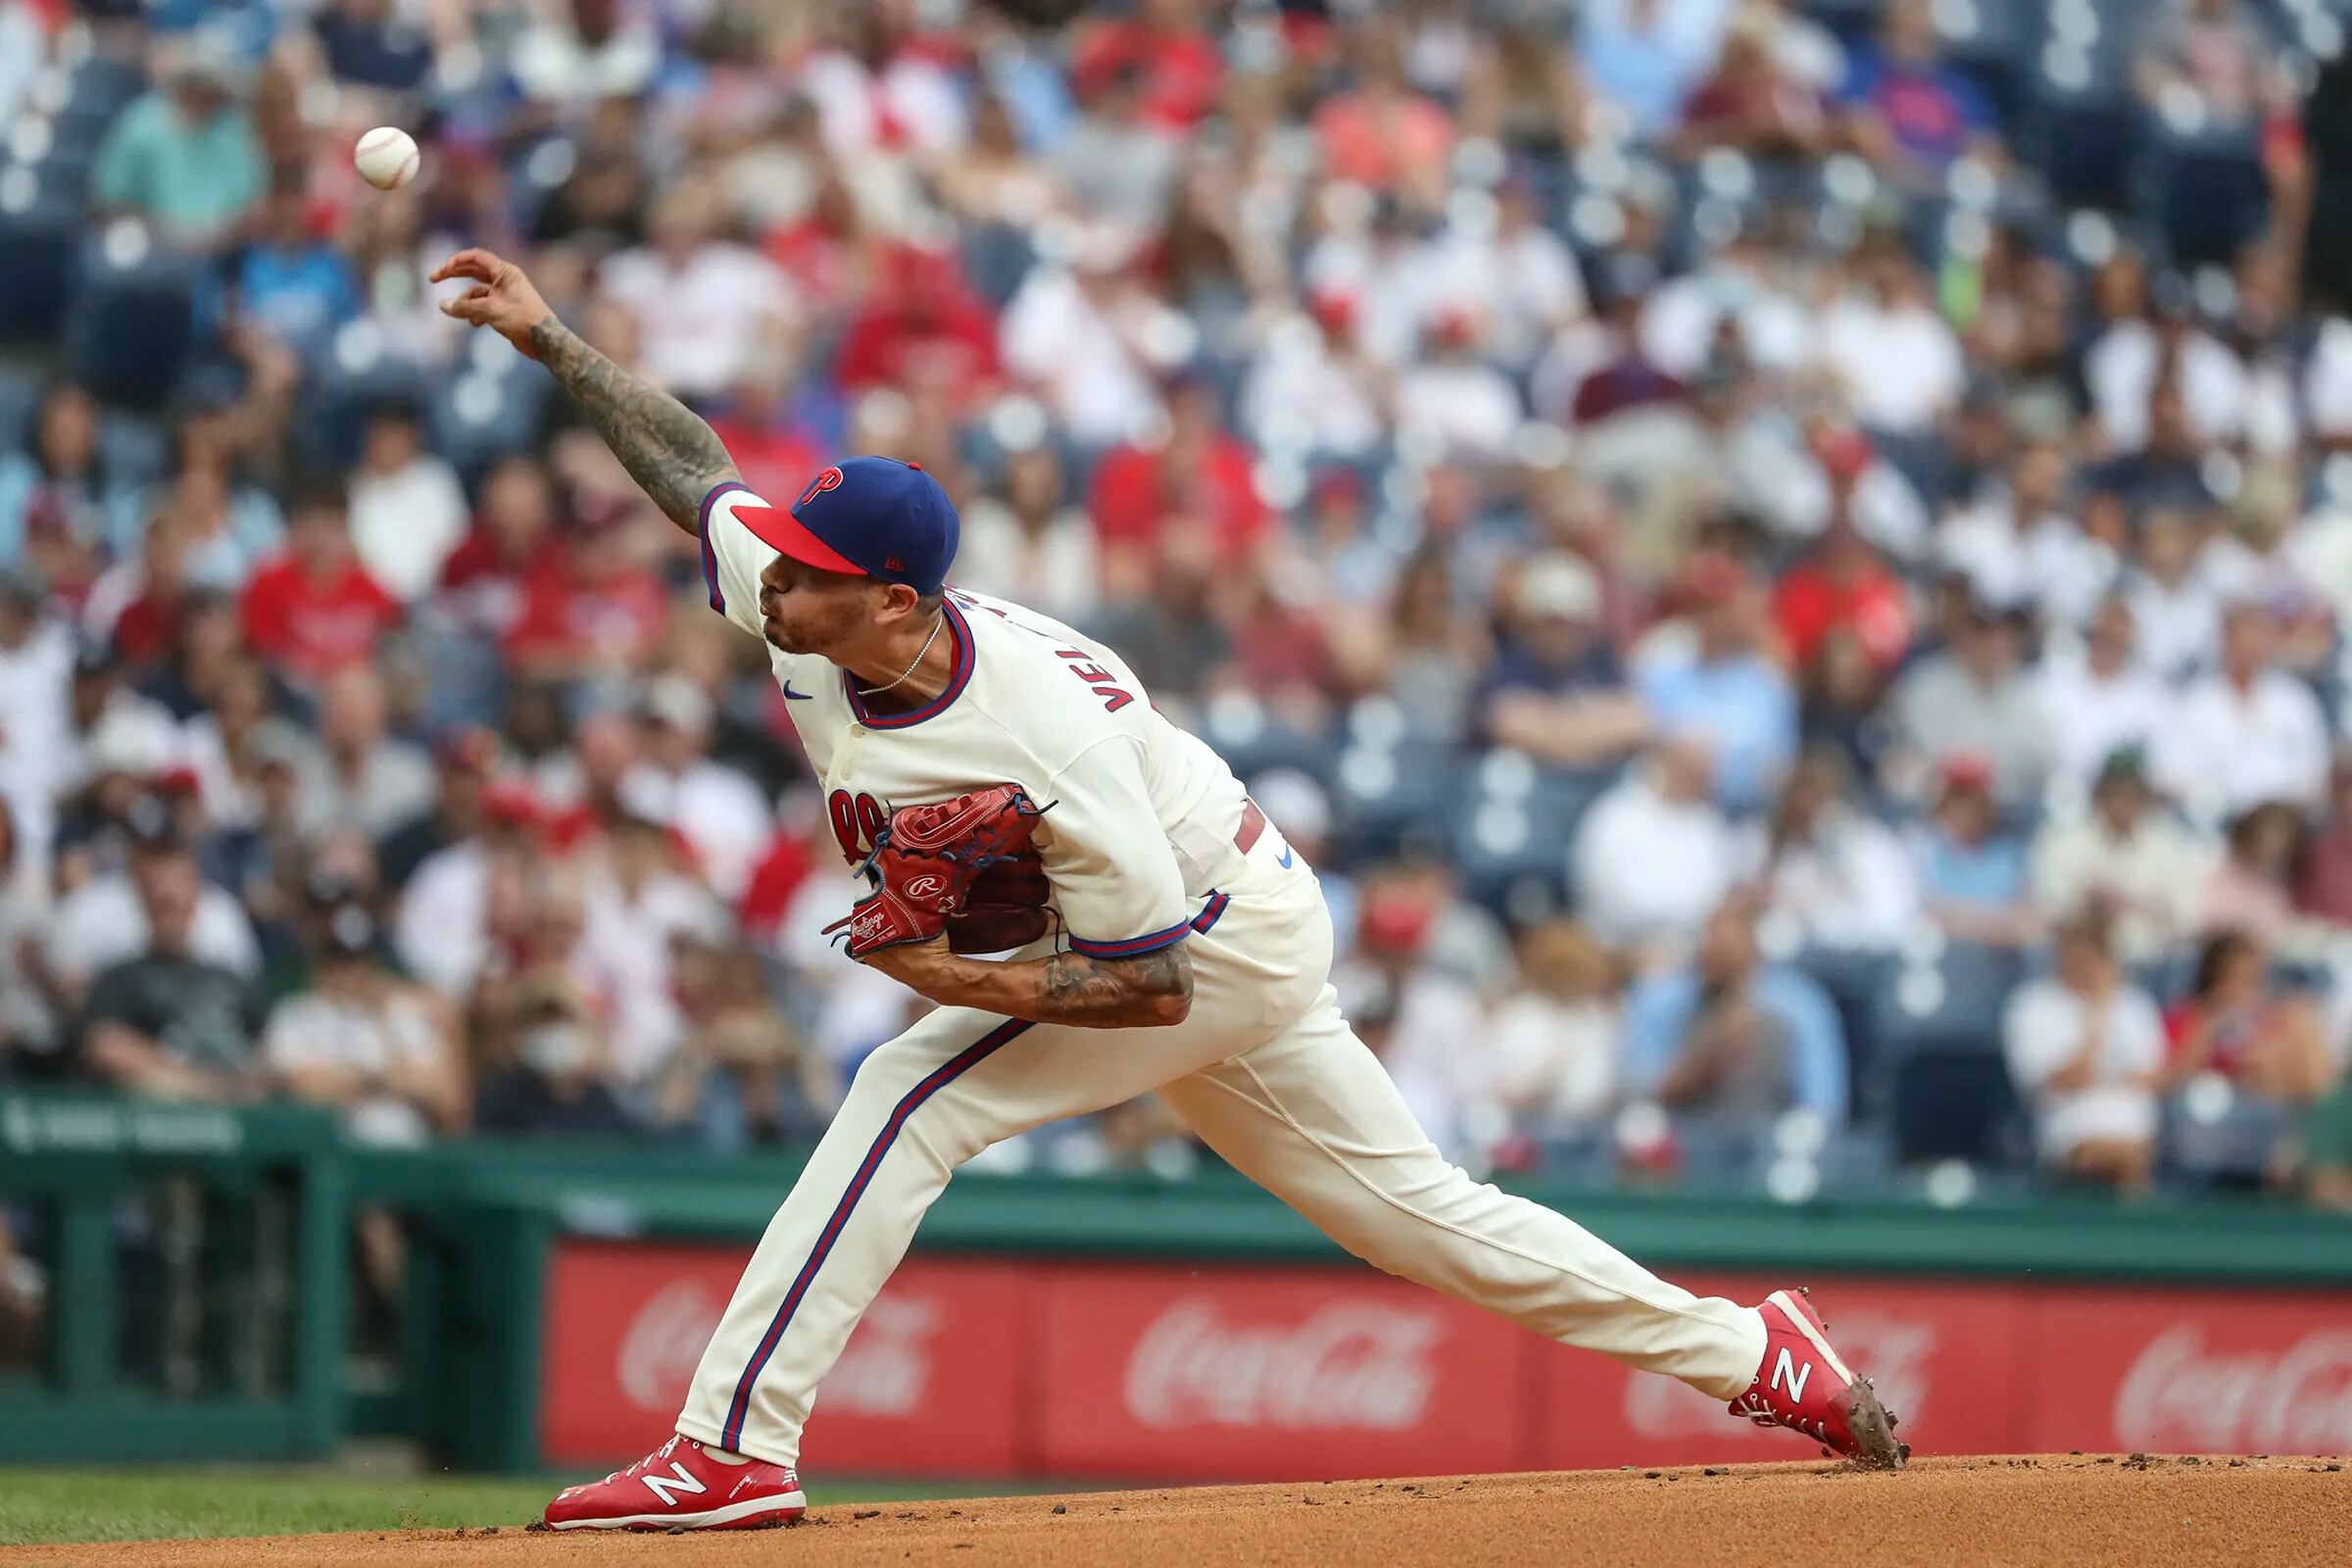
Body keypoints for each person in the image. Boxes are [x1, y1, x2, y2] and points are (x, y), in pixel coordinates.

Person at [430, 244, 1906, 1531]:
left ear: (893, 598)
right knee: (1428, 1223)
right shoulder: (812, 602)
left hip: (1205, 931)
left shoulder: (1041, 737)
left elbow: (1155, 987)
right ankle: (1754, 1354)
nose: (772, 588)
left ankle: (731, 1449)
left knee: (908, 1092)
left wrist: (962, 984)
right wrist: (550, 335)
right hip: (1207, 913)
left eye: (809, 574)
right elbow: (697, 472)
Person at [2002, 914, 2167, 1193]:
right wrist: (2098, 1018)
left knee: (2132, 1158)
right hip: (2070, 1127)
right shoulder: (2032, 1005)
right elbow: (2064, 1079)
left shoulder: (2135, 1005)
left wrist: (2097, 1077)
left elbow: (2152, 1079)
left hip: (2135, 1129)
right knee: (2116, 1161)